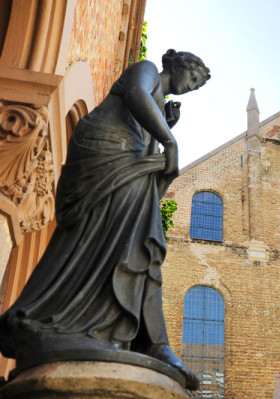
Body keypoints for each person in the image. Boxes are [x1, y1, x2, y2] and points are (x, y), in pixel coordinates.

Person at [0, 49, 210, 390]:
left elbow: (144, 133)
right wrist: (168, 138)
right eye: (195, 78)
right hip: (110, 159)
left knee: (142, 248)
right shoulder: (146, 71)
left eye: (198, 85)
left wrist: (164, 125)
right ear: (180, 66)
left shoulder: (159, 100)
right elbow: (135, 94)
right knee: (102, 243)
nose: (193, 86)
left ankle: (152, 343)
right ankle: (68, 322)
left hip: (131, 171)